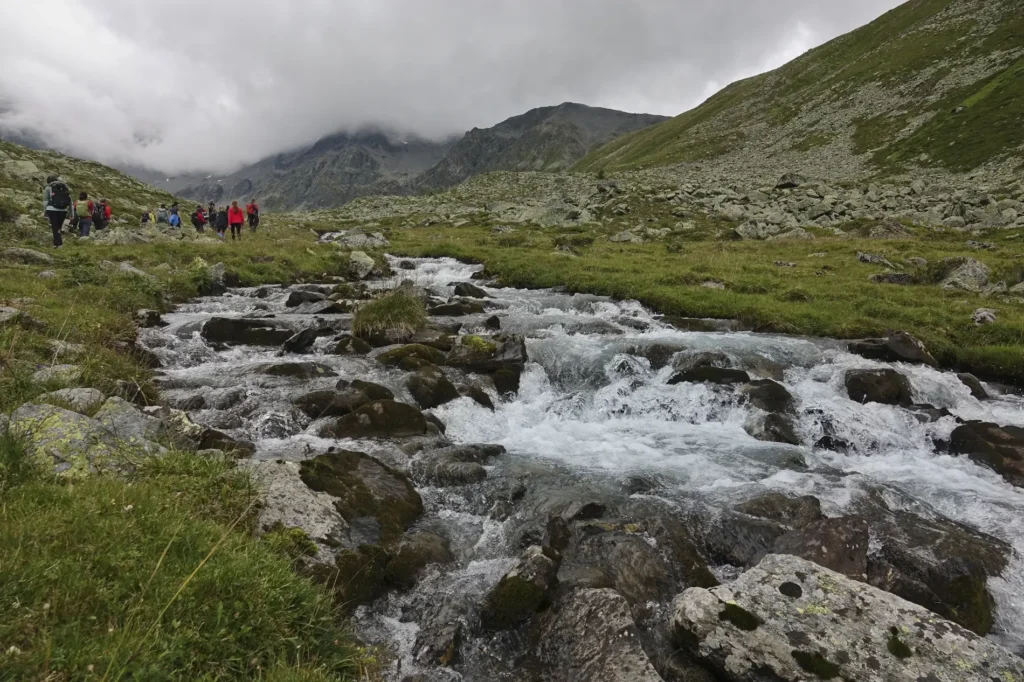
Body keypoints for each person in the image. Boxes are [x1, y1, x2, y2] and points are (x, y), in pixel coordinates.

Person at [42, 175, 72, 247]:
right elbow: (70, 201)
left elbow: (45, 200)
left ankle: (58, 243)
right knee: (59, 226)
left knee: (55, 227)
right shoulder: (64, 186)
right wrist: (71, 213)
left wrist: (44, 210)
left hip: (52, 209)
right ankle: (58, 242)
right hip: (63, 210)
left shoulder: (48, 187)